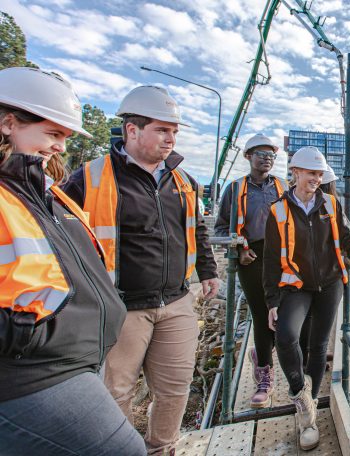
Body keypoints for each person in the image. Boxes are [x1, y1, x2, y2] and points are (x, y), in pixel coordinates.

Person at [62, 86, 219, 455]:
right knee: (115, 391)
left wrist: (208, 270)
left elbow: (197, 229)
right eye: (162, 130)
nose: (171, 139)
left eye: (175, 132)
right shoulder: (89, 179)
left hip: (177, 302)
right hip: (121, 308)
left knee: (175, 388)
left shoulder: (184, 182)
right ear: (132, 130)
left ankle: (161, 449)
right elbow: (61, 239)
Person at [0, 67, 145, 455]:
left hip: (73, 359)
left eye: (64, 137)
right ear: (9, 123)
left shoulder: (46, 192)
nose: (60, 147)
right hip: (32, 373)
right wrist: (23, 336)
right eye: (53, 134)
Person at [263, 146, 350, 450]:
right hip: (296, 285)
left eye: (319, 174)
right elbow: (271, 259)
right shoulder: (279, 210)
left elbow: (348, 235)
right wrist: (272, 300)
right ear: (295, 173)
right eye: (311, 173)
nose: (316, 178)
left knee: (318, 345)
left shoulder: (331, 204)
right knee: (285, 337)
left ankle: (307, 413)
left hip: (330, 282)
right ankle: (300, 392)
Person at [215, 134, 286, 409]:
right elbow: (222, 229)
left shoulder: (280, 186)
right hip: (251, 257)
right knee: (261, 313)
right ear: (248, 156)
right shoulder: (234, 190)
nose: (267, 158)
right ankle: (264, 375)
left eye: (271, 155)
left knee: (282, 311)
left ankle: (267, 355)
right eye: (261, 154)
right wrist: (239, 248)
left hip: (279, 257)